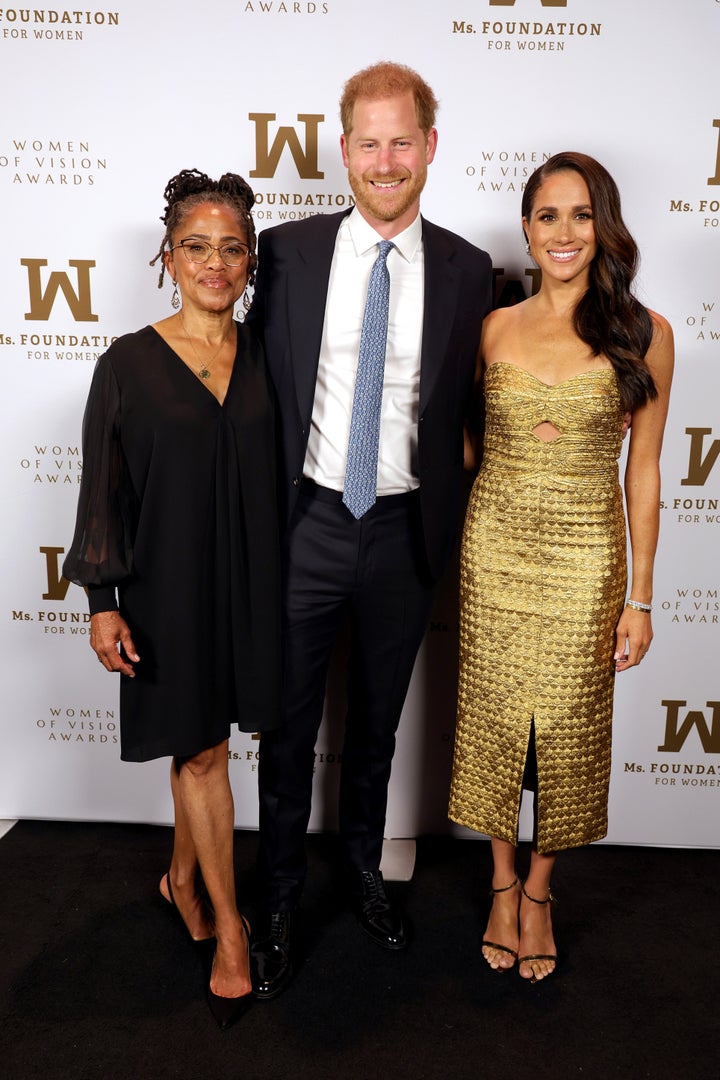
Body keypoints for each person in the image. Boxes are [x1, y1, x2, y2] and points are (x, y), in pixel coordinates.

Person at [247, 61, 493, 999]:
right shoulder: (285, 253)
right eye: (367, 142)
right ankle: (274, 898)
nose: (384, 161)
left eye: (402, 141)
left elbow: (480, 399)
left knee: (377, 731)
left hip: (402, 531)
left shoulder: (471, 270)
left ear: (430, 146)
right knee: (285, 726)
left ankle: (360, 870)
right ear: (342, 150)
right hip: (306, 521)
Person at [63, 169, 281, 1028]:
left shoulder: (270, 352)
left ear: (251, 261)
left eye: (232, 248)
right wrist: (102, 601)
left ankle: (182, 877)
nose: (214, 262)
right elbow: (101, 493)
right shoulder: (125, 362)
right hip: (166, 590)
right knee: (199, 755)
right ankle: (231, 929)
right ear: (167, 256)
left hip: (257, 581)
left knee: (213, 745)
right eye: (196, 245)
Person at [449, 151, 674, 982]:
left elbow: (643, 472)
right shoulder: (494, 327)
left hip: (586, 556)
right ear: (526, 229)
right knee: (497, 721)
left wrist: (639, 597)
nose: (565, 233)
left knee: (570, 734)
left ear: (604, 226)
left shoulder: (645, 333)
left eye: (582, 215)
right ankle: (501, 880)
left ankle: (541, 891)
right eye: (549, 216)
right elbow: (467, 446)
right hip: (495, 547)